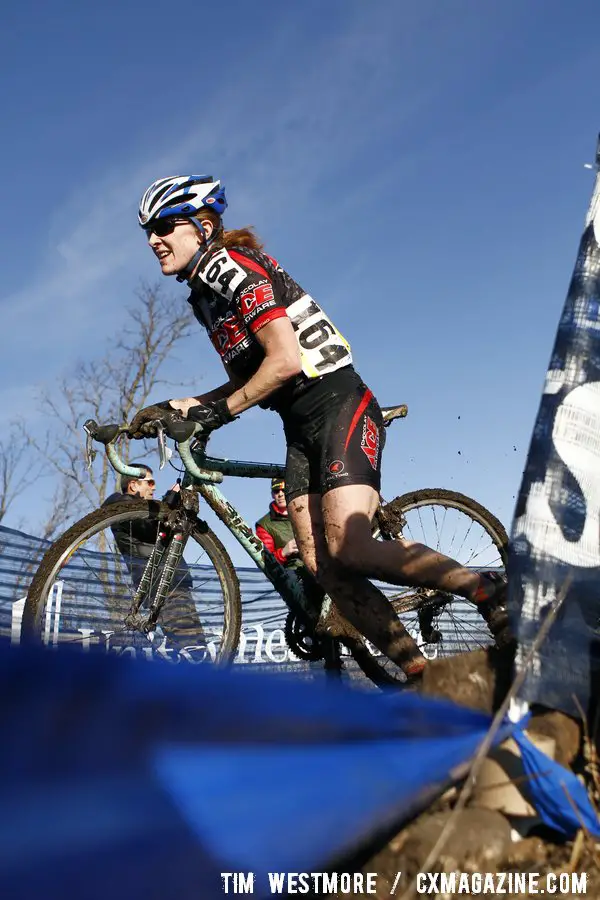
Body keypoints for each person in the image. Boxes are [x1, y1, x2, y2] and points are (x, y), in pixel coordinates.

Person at [129, 175, 509, 679]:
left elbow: (284, 362)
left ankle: (483, 587)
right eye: (147, 231)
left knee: (349, 547)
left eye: (164, 226)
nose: (154, 239)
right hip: (298, 424)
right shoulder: (203, 296)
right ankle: (423, 678)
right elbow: (244, 378)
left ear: (202, 226)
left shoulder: (229, 265)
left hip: (337, 402)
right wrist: (179, 405)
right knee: (322, 567)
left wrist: (219, 413)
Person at [103, 465, 204, 653]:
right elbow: (156, 530)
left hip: (169, 583)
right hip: (162, 585)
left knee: (191, 646)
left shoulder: (134, 510)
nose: (153, 488)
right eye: (150, 482)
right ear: (133, 485)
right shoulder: (121, 506)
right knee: (191, 647)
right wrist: (170, 499)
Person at [255, 478, 301, 568]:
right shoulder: (265, 525)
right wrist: (283, 553)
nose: (280, 494)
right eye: (276, 491)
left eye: (284, 490)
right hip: (292, 575)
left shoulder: (306, 513)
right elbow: (265, 560)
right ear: (272, 494)